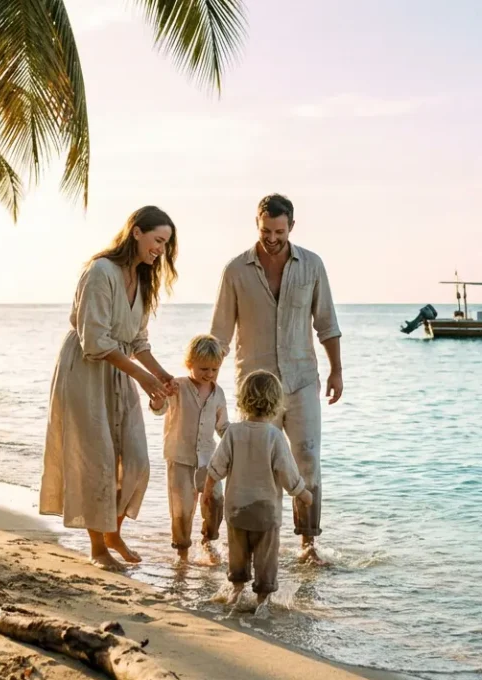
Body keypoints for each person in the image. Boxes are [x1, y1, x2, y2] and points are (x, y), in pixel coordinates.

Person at [40, 206, 178, 570]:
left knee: (136, 460)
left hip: (119, 369)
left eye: (165, 244)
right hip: (85, 371)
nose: (160, 250)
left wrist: (162, 376)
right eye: (157, 240)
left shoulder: (144, 280)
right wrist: (141, 378)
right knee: (96, 461)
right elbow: (95, 341)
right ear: (136, 232)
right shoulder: (101, 272)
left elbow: (139, 340)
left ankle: (112, 530)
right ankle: (97, 548)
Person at [210, 193, 342, 564]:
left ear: (292, 227)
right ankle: (255, 543)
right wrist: (206, 385)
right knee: (255, 467)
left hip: (301, 381)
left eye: (279, 231)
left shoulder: (312, 265)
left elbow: (327, 323)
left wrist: (337, 370)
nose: (272, 238)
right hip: (254, 390)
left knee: (307, 460)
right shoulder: (235, 270)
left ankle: (308, 545)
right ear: (257, 224)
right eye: (266, 230)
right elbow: (220, 334)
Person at [204, 370, 313, 611]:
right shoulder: (274, 436)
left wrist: (207, 492)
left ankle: (235, 592)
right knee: (265, 560)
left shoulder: (232, 432)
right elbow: (287, 473)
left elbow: (216, 467)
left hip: (236, 511)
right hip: (265, 514)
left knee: (238, 556)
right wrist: (303, 493)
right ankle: (262, 601)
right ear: (276, 403)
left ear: (242, 399)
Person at [149, 334, 230, 562]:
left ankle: (208, 540)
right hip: (180, 458)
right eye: (204, 368)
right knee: (182, 508)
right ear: (189, 364)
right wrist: (157, 400)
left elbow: (223, 426)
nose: (209, 374)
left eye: (215, 370)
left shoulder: (218, 393)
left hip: (208, 460)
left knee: (215, 500)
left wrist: (239, 439)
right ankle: (182, 553)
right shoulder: (178, 386)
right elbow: (160, 408)